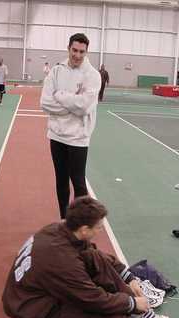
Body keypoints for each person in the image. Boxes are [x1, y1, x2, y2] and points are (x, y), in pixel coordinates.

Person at [2, 196, 179, 318]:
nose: (101, 230)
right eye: (98, 227)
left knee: (95, 258)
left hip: (46, 294)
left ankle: (142, 313)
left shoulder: (59, 229)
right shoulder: (61, 260)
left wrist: (129, 277)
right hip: (40, 317)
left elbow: (94, 255)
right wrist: (131, 304)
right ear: (85, 229)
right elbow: (92, 299)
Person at [40, 33, 101, 219]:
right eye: (74, 50)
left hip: (78, 137)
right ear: (68, 49)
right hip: (57, 135)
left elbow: (84, 107)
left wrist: (61, 96)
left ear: (86, 52)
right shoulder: (56, 71)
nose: (77, 55)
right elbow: (45, 102)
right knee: (61, 180)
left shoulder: (93, 75)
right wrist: (71, 105)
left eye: (82, 51)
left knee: (79, 182)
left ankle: (83, 227)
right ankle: (64, 221)